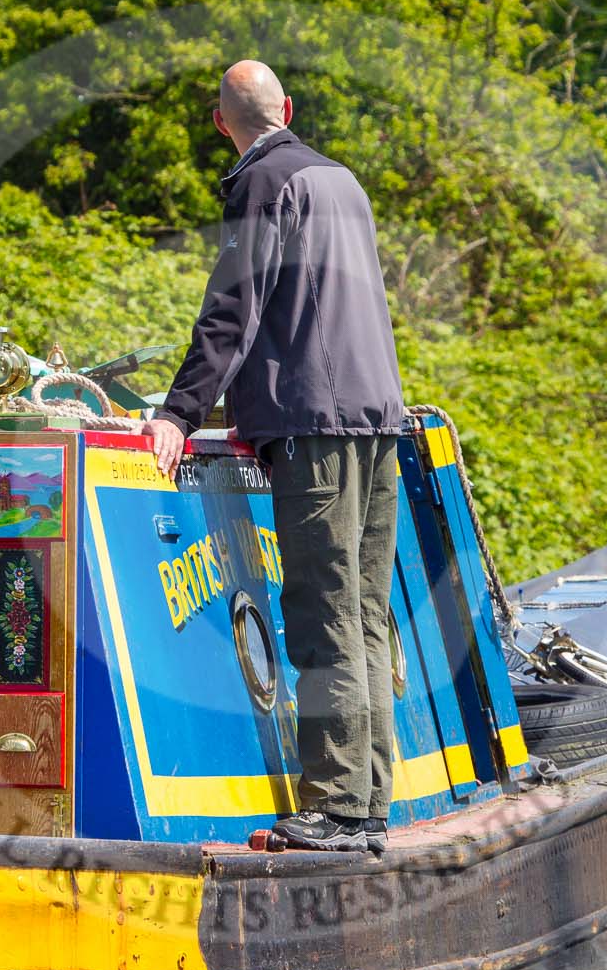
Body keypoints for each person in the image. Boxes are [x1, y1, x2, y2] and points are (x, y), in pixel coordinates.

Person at [142, 60, 409, 854]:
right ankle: (369, 802)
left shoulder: (262, 182)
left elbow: (235, 305)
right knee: (364, 613)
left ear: (220, 123)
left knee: (324, 617)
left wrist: (179, 412)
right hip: (377, 421)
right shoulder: (343, 180)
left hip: (315, 425)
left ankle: (334, 806)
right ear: (287, 108)